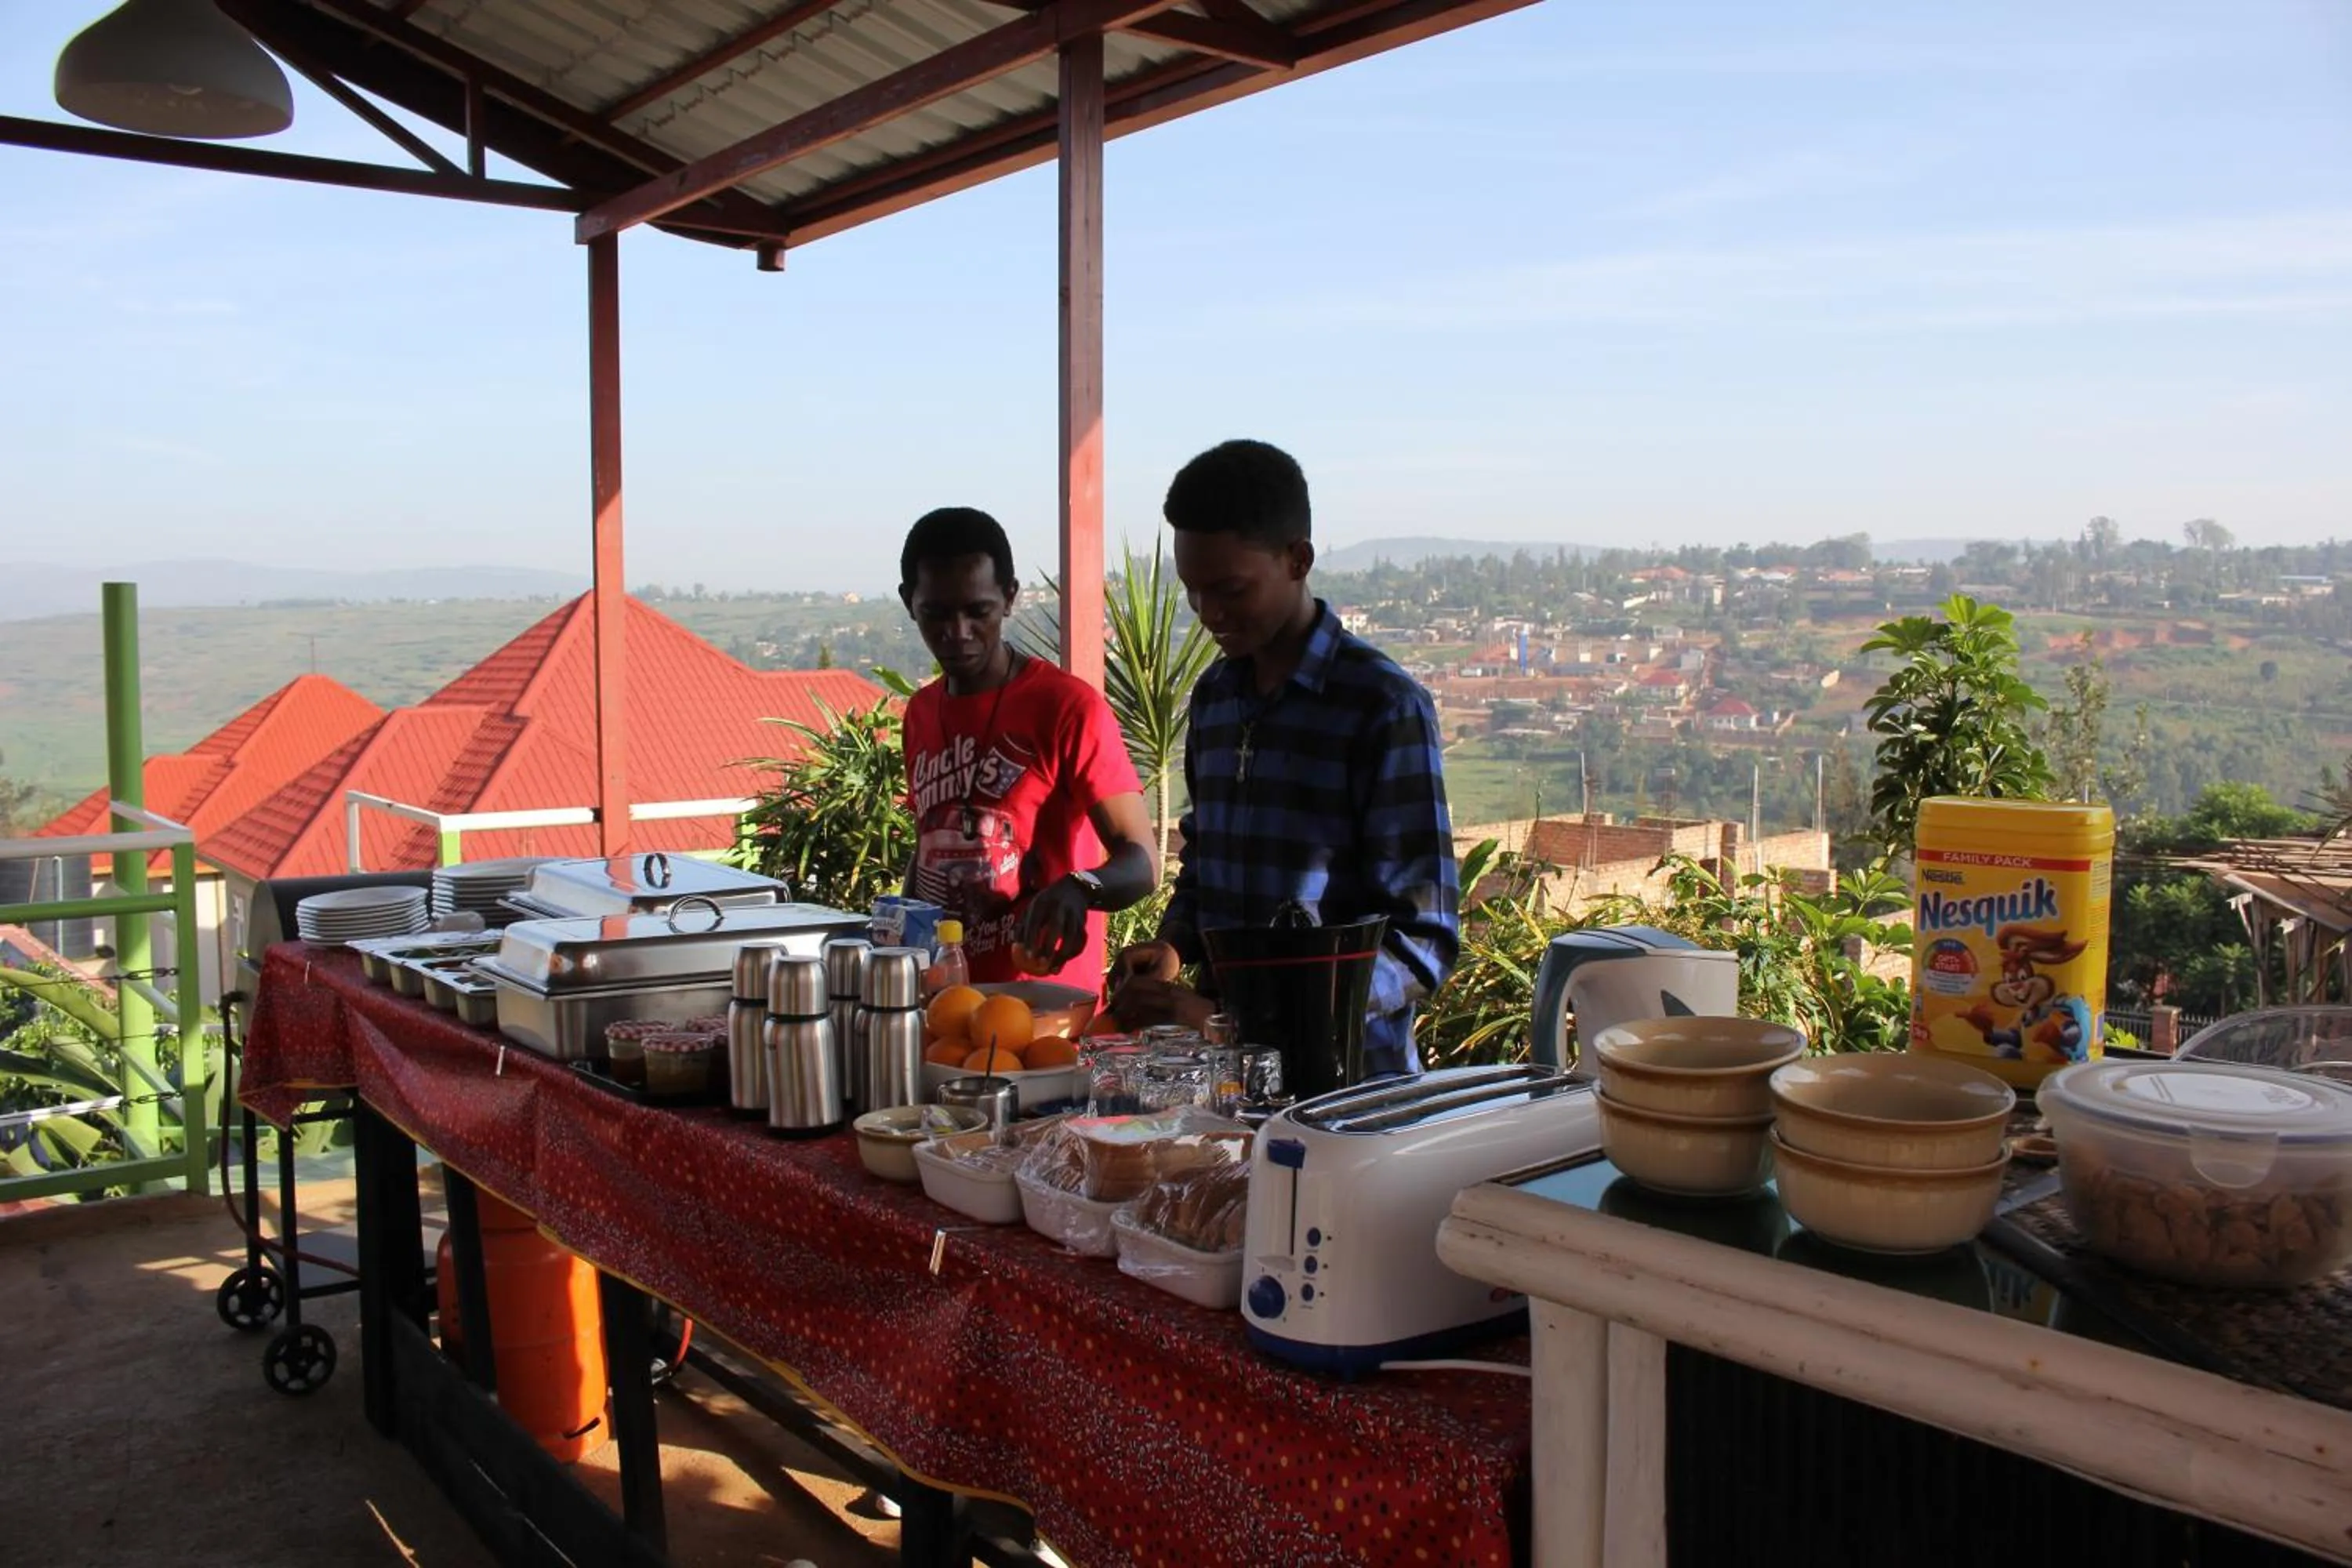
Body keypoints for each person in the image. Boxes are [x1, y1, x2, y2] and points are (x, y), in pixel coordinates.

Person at [1109, 441, 1461, 1076]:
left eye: (1231, 590)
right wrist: (1174, 944)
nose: (1209, 614)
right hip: (1225, 1088)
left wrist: (1233, 1020)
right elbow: (1206, 863)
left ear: (1298, 559)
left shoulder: (1381, 708)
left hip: (1348, 1093)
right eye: (1192, 592)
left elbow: (1423, 943)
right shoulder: (1216, 700)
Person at [897, 506, 1158, 991]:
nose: (958, 632)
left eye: (978, 611)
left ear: (1010, 598)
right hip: (950, 1010)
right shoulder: (919, 713)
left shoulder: (1067, 707)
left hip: (1046, 1015)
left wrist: (1081, 889)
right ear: (909, 602)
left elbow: (1143, 862)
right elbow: (930, 840)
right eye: (937, 613)